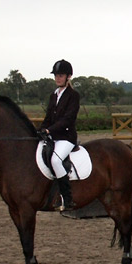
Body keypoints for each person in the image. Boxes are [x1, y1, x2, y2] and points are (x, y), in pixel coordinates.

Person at [39, 59, 80, 211]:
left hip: (66, 138)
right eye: (56, 75)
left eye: (61, 75)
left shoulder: (73, 95)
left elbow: (68, 119)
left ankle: (67, 198)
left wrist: (50, 130)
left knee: (56, 160)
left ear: (68, 76)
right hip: (53, 136)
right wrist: (41, 129)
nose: (57, 78)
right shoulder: (53, 95)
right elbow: (48, 117)